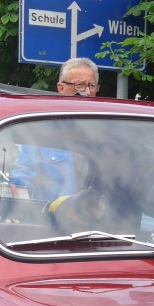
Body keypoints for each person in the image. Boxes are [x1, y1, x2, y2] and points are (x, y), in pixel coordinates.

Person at [9, 57, 99, 202]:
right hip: (48, 218)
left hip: (94, 219)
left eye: (92, 86)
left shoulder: (104, 132)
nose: (87, 92)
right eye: (80, 85)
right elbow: (22, 181)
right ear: (60, 88)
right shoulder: (42, 130)